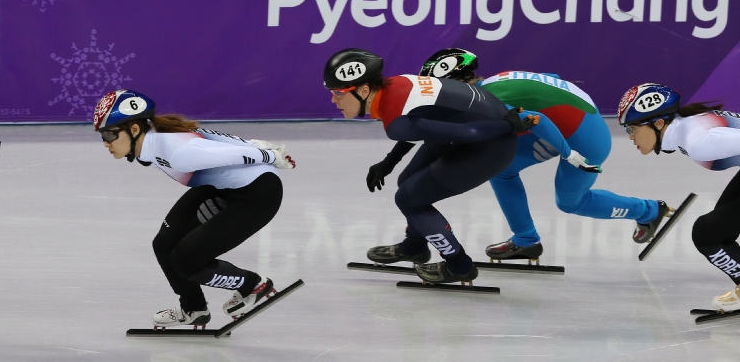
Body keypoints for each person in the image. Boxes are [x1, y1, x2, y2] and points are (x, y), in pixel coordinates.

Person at [417, 49, 665, 261]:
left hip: (584, 136)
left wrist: (569, 154)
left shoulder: (486, 103)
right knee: (502, 169)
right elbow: (550, 79)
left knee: (571, 202)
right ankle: (526, 240)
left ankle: (649, 211)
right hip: (572, 121)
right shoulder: (491, 83)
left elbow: (537, 119)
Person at [324, 48, 538, 284]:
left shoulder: (396, 121)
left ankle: (459, 265)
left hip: (489, 143)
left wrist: (510, 127)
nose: (333, 99)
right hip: (481, 124)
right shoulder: (398, 82)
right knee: (407, 182)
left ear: (364, 90)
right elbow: (419, 122)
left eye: (337, 92)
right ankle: (414, 246)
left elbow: (468, 132)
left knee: (409, 198)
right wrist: (389, 162)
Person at [93, 89, 295, 328]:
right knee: (164, 244)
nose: (105, 143)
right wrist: (252, 144)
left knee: (186, 260)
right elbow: (210, 138)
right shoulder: (157, 140)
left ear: (134, 129)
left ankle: (253, 285)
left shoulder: (178, 153)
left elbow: (229, 152)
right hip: (223, 188)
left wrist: (268, 155)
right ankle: (194, 309)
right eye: (101, 136)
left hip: (257, 195)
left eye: (109, 134)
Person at [618, 83, 740, 311]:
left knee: (706, 233)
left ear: (659, 123)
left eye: (632, 129)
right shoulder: (689, 129)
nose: (631, 137)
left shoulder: (698, 142)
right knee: (714, 233)